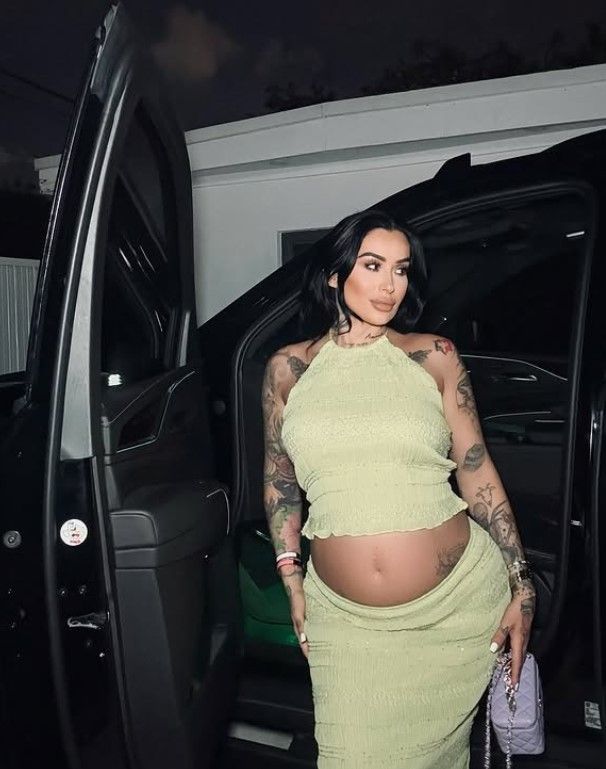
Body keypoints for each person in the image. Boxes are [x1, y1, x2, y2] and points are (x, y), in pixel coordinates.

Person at [261, 209, 536, 769]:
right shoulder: (287, 370)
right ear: (335, 275)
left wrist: (521, 584)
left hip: (455, 610)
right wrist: (291, 580)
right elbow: (280, 482)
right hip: (346, 624)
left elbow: (477, 471)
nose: (391, 285)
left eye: (402, 269)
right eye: (373, 265)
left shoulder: (434, 356)